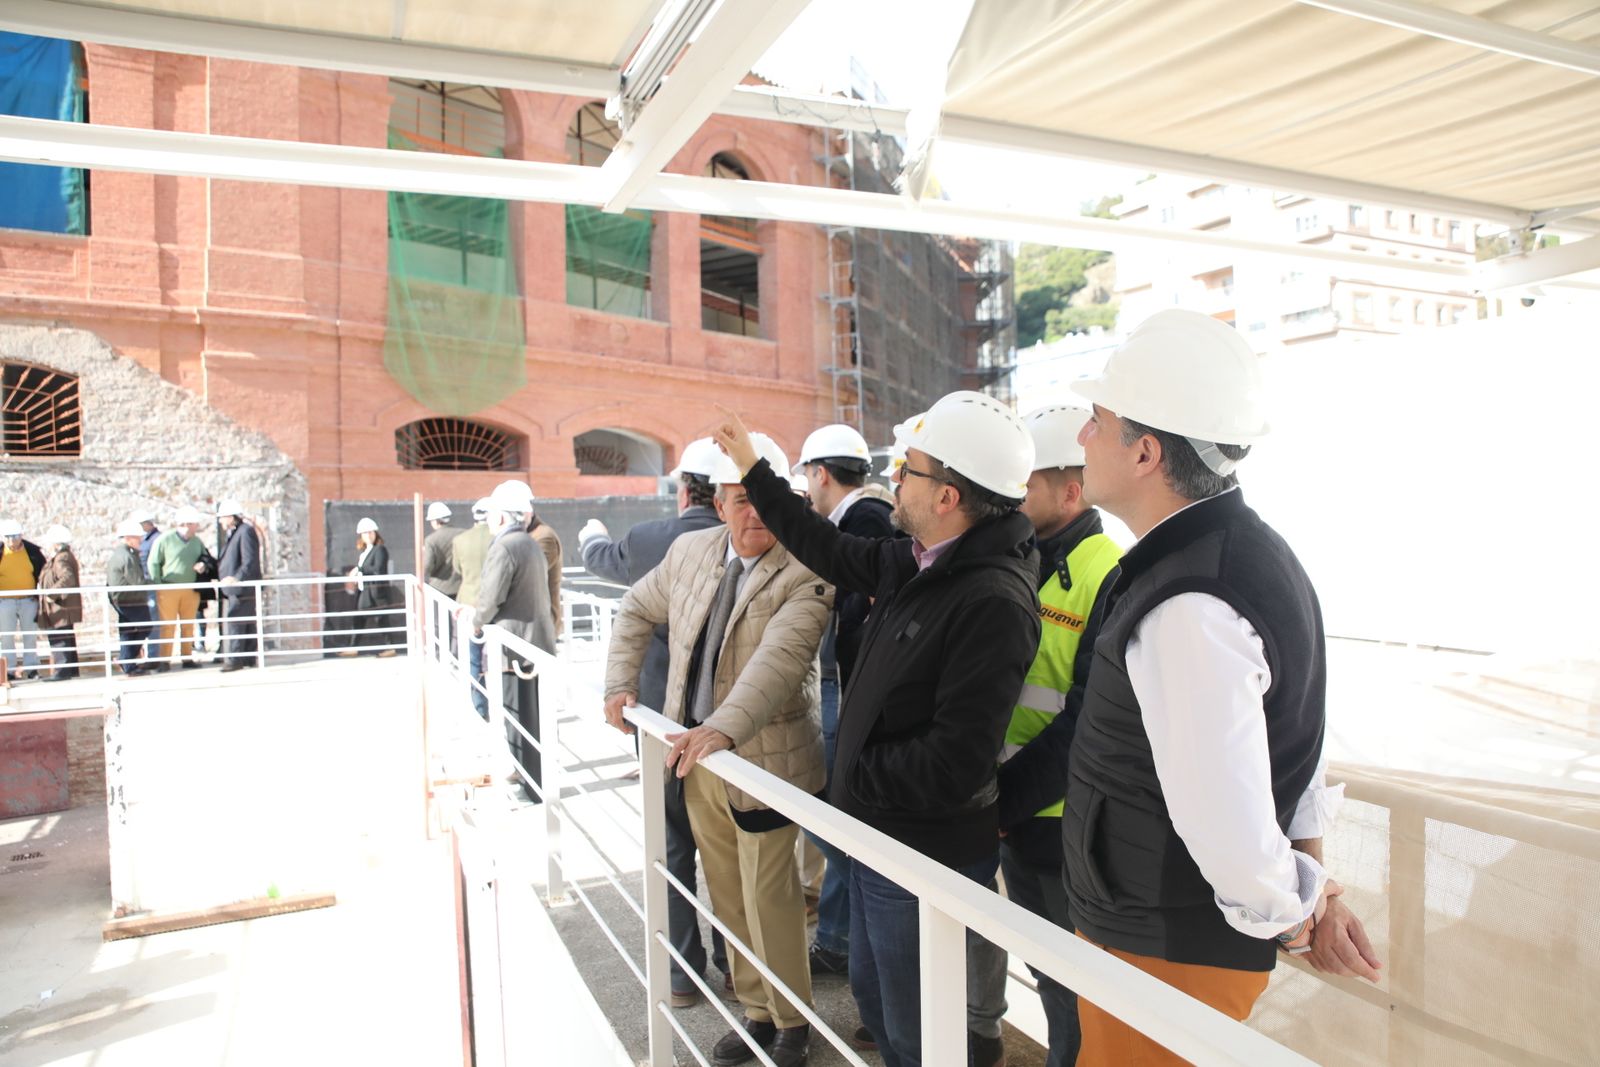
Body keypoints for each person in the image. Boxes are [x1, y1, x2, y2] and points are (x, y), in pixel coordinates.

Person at [1060, 310, 1380, 1065]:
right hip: (1162, 934)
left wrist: (1294, 912)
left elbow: (1225, 818)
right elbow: (1292, 742)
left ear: (1146, 451)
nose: (1081, 436)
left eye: (1097, 420)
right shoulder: (1242, 555)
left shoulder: (1188, 604)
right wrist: (1310, 888)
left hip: (1163, 943)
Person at [712, 395, 1039, 1067]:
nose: (894, 479)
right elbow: (828, 547)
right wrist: (753, 467)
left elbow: (955, 760)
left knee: (916, 1031)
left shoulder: (991, 601)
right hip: (875, 836)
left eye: (908, 470)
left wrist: (856, 774)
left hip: (918, 852)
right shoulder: (923, 561)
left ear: (947, 496)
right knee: (878, 1002)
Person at [603, 433, 831, 1067]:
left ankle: (793, 1021)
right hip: (698, 756)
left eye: (764, 498)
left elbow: (779, 662)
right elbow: (634, 607)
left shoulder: (806, 568)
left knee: (771, 897)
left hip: (767, 760)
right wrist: (620, 682)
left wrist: (723, 728)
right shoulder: (691, 551)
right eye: (740, 499)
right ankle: (756, 1011)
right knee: (726, 891)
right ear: (720, 502)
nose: (753, 513)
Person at [966, 406, 1123, 1067]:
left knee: (1075, 987)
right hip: (1012, 813)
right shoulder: (1020, 558)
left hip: (1063, 824)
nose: (1013, 493)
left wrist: (1006, 802)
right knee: (1048, 967)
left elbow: (1090, 719)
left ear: (1071, 490)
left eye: (1026, 482)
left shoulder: (1107, 572)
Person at [579, 436, 731, 1005]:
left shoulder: (648, 539)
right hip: (727, 723)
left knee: (671, 845)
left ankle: (682, 976)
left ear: (685, 489)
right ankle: (738, 970)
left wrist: (591, 533)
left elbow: (601, 562)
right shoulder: (753, 540)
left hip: (657, 721)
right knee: (728, 848)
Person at [788, 423, 895, 981]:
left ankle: (852, 929)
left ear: (820, 473)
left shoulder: (865, 520)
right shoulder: (861, 518)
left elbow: (864, 604)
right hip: (842, 684)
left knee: (830, 816)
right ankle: (837, 938)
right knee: (831, 816)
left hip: (847, 687)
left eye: (809, 476)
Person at [469, 480, 557, 799]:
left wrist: (476, 624)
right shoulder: (528, 542)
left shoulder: (506, 546)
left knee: (518, 719)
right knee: (530, 718)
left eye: (492, 513)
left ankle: (530, 786)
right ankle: (533, 782)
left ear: (503, 516)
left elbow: (491, 597)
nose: (489, 519)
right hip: (533, 642)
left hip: (514, 648)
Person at [146, 506, 208, 670]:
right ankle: (164, 660)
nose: (190, 527)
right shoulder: (165, 539)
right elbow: (153, 562)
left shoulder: (197, 542)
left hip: (190, 589)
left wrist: (203, 565)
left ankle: (187, 657)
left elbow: (206, 557)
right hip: (168, 588)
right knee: (167, 625)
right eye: (187, 524)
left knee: (188, 624)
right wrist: (158, 585)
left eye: (193, 524)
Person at [450, 498, 495, 716]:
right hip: (495, 604)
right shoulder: (499, 538)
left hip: (467, 601)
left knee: (473, 657)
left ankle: (479, 705)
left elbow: (458, 570)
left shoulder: (460, 540)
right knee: (497, 655)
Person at [217, 499, 263, 672]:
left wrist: (237, 578)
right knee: (246, 622)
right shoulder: (237, 533)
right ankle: (247, 657)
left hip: (242, 588)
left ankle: (236, 659)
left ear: (231, 517)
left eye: (222, 517)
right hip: (239, 588)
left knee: (236, 620)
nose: (220, 521)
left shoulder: (245, 532)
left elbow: (249, 560)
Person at [346, 517, 400, 656]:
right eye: (365, 533)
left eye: (371, 532)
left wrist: (359, 569)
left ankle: (390, 648)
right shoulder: (365, 552)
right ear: (361, 536)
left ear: (375, 533)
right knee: (360, 618)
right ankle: (353, 647)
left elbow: (378, 569)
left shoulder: (380, 550)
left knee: (380, 619)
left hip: (376, 592)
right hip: (365, 590)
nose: (368, 535)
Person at [0, 518, 46, 680]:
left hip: (28, 600)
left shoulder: (32, 552)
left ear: (21, 536)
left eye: (14, 537)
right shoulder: (1, 552)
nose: (11, 541)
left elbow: (43, 572)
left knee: (30, 636)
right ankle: (9, 670)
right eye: (7, 537)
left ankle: (32, 668)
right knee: (6, 637)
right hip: (4, 601)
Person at [36, 525, 83, 682]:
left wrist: (51, 594)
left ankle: (62, 671)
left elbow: (67, 578)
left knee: (59, 638)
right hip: (62, 606)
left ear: (56, 544)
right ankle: (69, 670)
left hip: (60, 607)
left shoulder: (61, 558)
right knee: (65, 637)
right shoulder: (64, 556)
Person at [107, 519, 154, 675]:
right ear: (128, 538)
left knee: (130, 630)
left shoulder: (123, 554)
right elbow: (137, 581)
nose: (141, 540)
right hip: (130, 599)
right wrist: (154, 583)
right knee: (140, 628)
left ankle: (128, 662)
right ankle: (126, 661)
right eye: (137, 537)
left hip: (124, 598)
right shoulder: (126, 556)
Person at [423, 501, 462, 597]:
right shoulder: (464, 534)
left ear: (435, 521)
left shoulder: (431, 540)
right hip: (461, 588)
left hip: (439, 589)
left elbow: (427, 566)